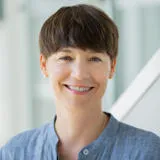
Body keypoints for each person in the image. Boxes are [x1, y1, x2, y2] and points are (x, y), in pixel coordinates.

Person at [0, 4, 160, 160]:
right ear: (43, 65)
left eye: (94, 59)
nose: (79, 74)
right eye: (66, 58)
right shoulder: (14, 153)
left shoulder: (147, 152)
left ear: (112, 67)